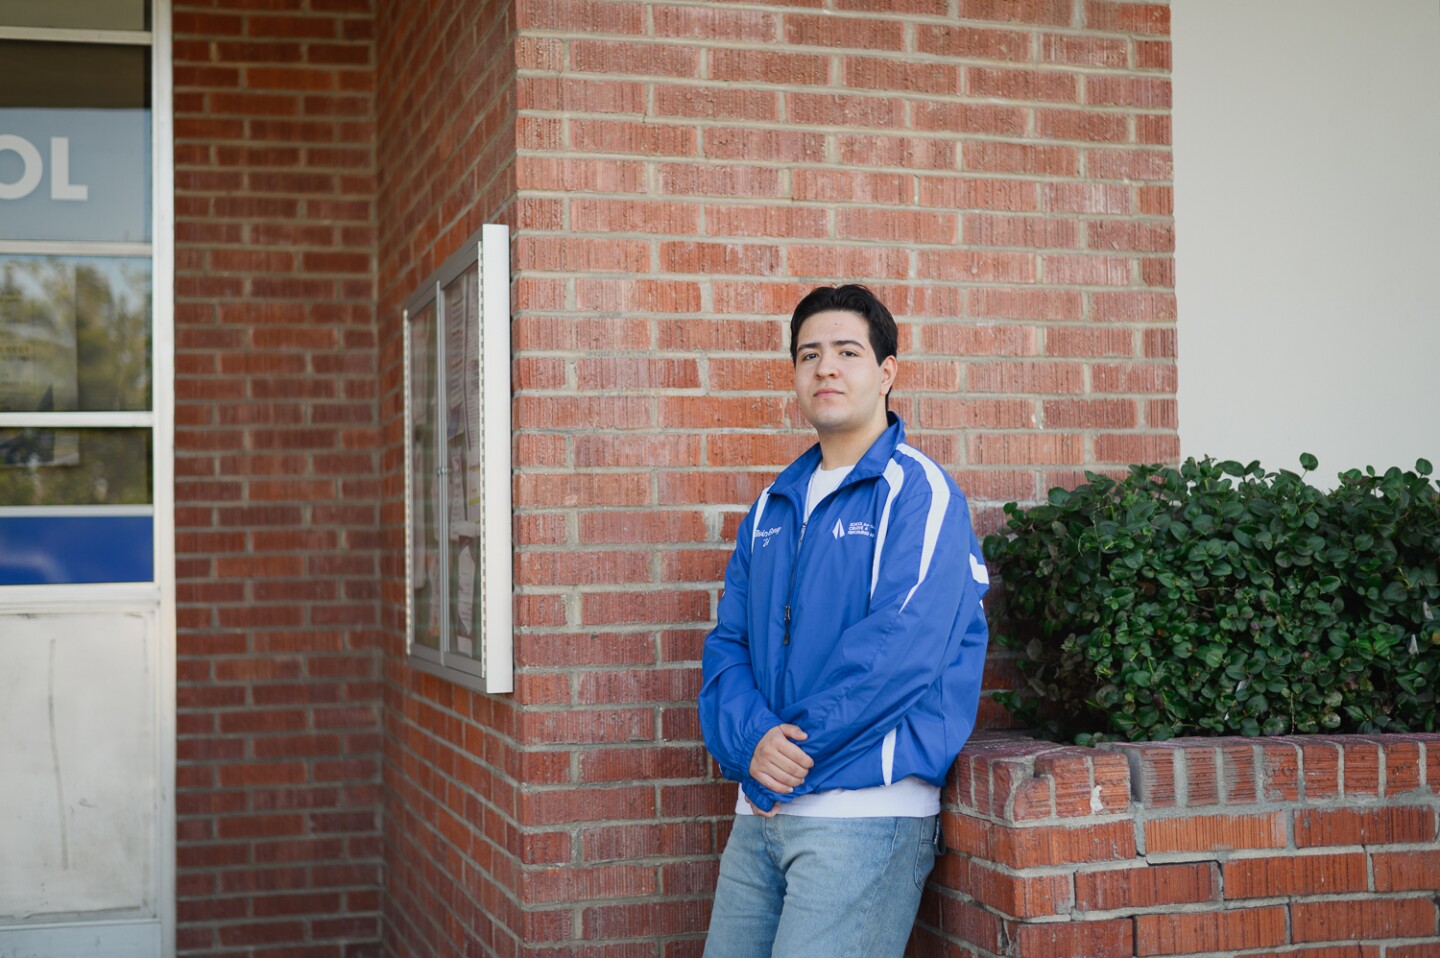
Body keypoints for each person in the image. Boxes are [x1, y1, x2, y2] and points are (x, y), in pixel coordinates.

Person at [698, 285, 990, 957]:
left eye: (847, 352)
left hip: (863, 816)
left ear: (887, 372)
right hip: (761, 814)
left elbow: (899, 652)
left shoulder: (919, 493)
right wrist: (752, 744)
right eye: (809, 355)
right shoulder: (772, 505)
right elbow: (729, 646)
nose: (825, 368)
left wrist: (787, 754)